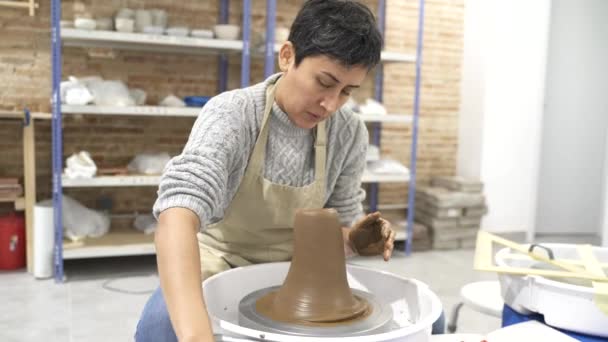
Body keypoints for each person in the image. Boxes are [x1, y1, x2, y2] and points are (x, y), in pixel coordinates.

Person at [135, 1, 398, 341]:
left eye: (346, 91)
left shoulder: (348, 132)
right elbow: (177, 215)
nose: (330, 104)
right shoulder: (233, 114)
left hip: (302, 271)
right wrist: (196, 336)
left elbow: (341, 227)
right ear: (287, 56)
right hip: (222, 261)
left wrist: (357, 239)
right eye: (324, 82)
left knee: (423, 325)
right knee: (159, 329)